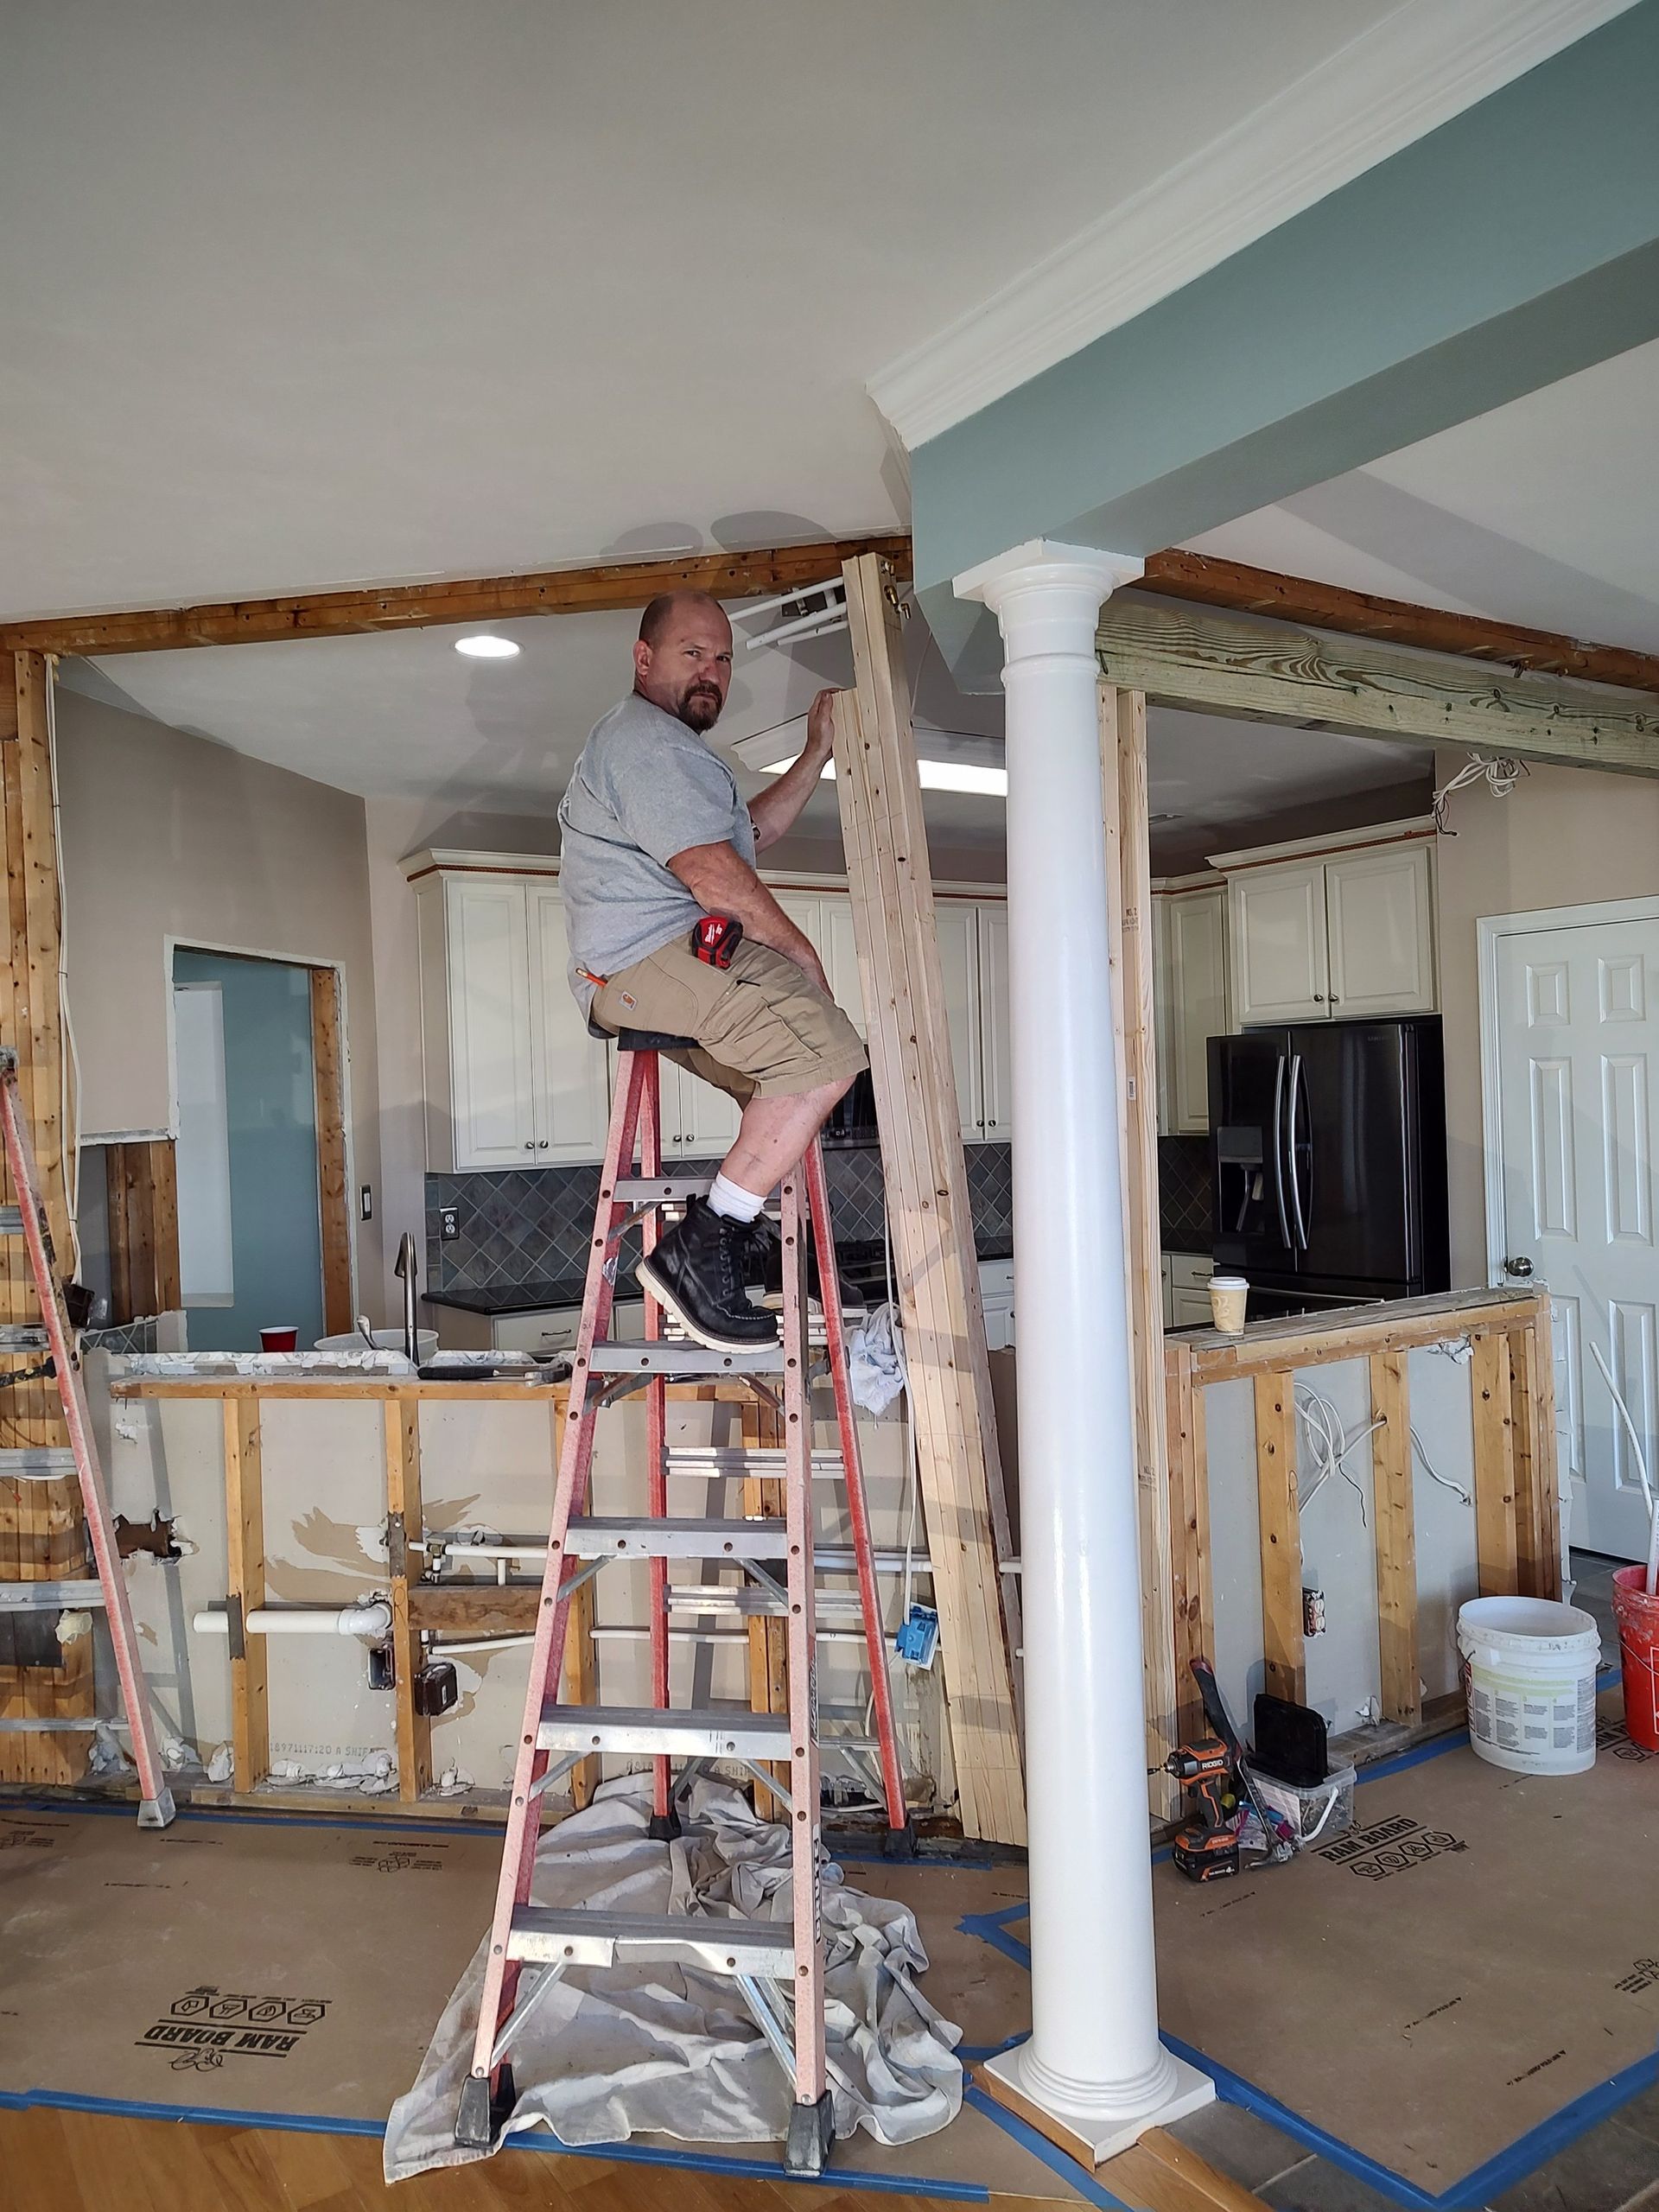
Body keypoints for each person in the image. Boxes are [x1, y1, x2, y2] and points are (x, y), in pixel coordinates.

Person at [556, 588, 868, 1351]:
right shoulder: (647, 744)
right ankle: (704, 1246)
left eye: (723, 658)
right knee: (824, 1056)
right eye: (693, 653)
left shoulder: (678, 755)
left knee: (788, 1079)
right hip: (642, 957)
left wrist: (814, 755)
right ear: (644, 658)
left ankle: (738, 1227)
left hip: (649, 961)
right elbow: (715, 873)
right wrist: (802, 954)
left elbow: (747, 833)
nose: (712, 672)